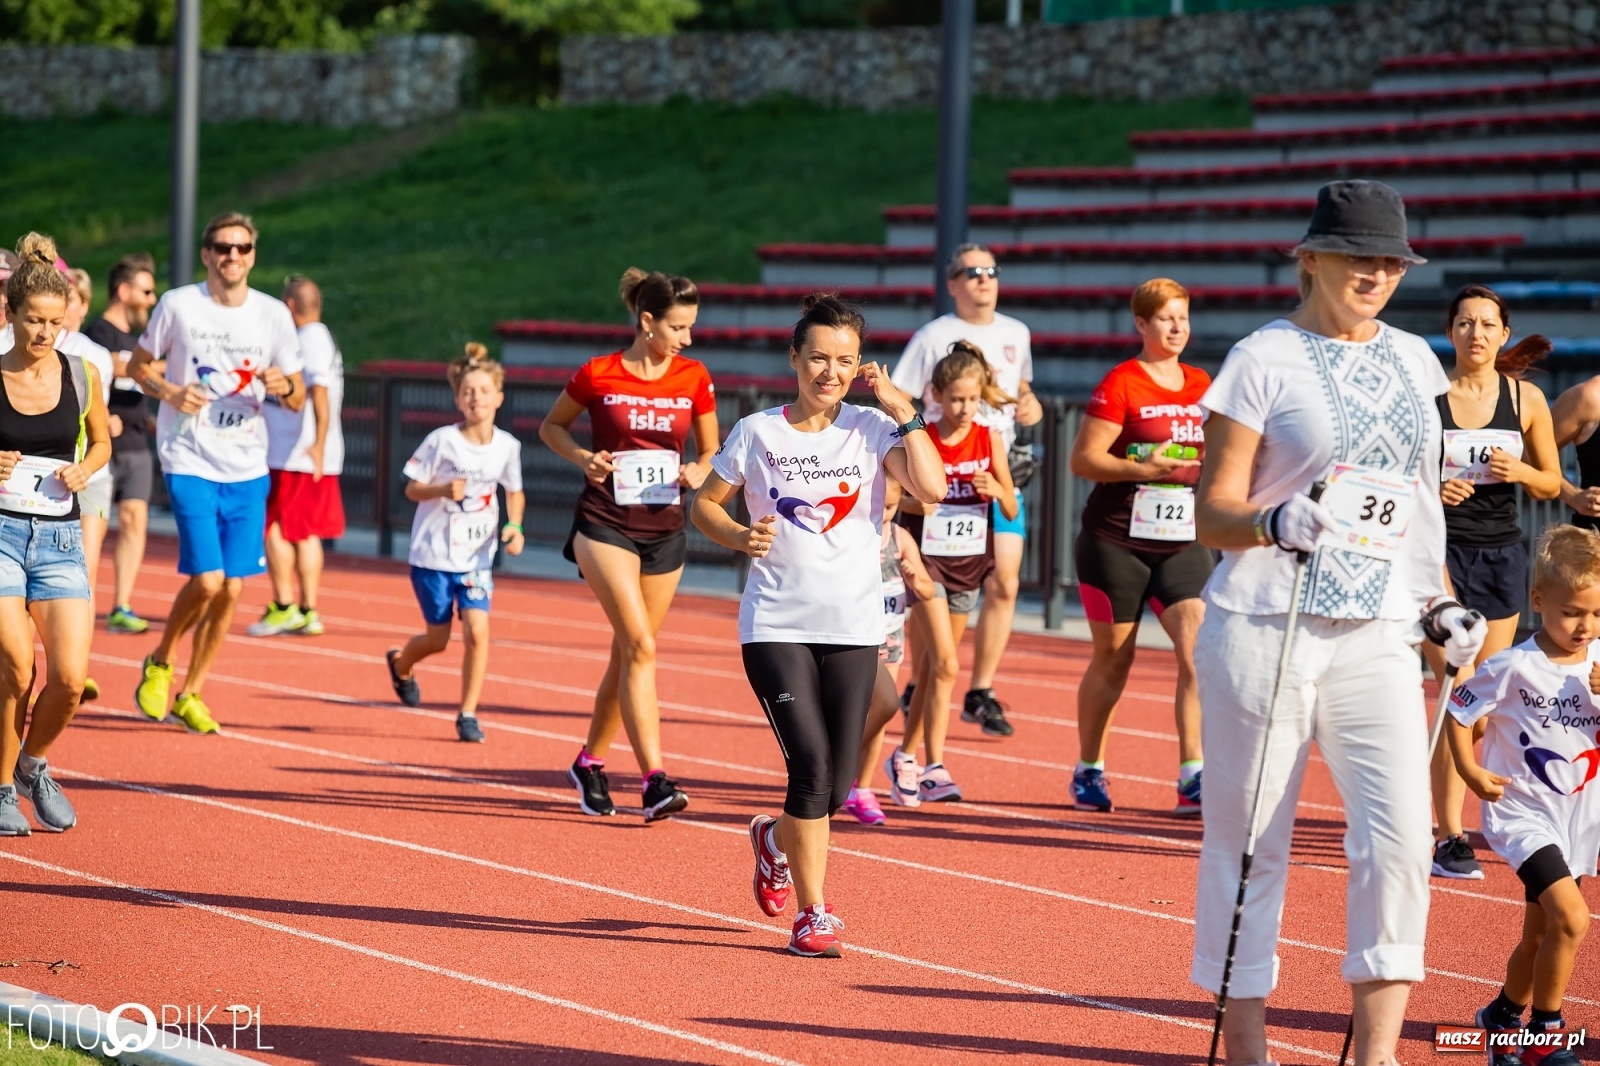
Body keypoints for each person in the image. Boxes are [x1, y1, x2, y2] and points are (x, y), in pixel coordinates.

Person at [1191, 180, 1487, 1064]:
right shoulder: (1261, 357)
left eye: (1391, 261)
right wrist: (1269, 522)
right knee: (1251, 842)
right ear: (1310, 257)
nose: (1377, 274)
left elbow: (1416, 509)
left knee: (1399, 836)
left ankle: (1377, 1052)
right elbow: (1212, 510)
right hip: (1262, 626)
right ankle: (1247, 1043)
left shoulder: (1416, 361)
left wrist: (1438, 601)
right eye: (1359, 256)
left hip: (1379, 634)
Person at [692, 294, 944, 957]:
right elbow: (704, 507)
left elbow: (935, 488)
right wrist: (740, 534)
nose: (829, 372)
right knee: (808, 767)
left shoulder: (871, 427)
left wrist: (905, 410)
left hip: (855, 626)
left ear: (859, 365)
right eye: (818, 359)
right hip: (775, 623)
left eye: (844, 360)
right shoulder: (756, 432)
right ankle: (814, 913)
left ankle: (773, 840)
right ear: (795, 360)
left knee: (832, 788)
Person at [539, 269, 715, 821]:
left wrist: (696, 471)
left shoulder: (693, 377)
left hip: (665, 530)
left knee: (629, 652)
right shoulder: (599, 372)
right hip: (604, 524)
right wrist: (584, 459)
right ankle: (654, 779)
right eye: (678, 327)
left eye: (690, 327)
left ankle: (590, 762)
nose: (686, 338)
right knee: (640, 645)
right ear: (647, 322)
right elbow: (552, 429)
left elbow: (714, 451)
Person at [128, 212, 305, 734]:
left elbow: (295, 396)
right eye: (222, 247)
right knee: (207, 580)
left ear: (253, 255)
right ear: (206, 253)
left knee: (231, 590)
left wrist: (282, 385)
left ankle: (192, 691)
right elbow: (138, 368)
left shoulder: (273, 316)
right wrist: (171, 392)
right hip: (188, 457)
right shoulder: (179, 305)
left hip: (248, 465)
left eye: (242, 247)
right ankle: (160, 660)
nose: (232, 256)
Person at [1446, 525, 1599, 1065]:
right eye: (1572, 612)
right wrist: (1468, 769)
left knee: (1539, 936)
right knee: (1572, 920)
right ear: (1538, 601)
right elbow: (1458, 710)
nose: (1585, 626)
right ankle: (1546, 1037)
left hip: (1576, 817)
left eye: (1596, 614)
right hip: (1522, 814)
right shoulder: (1513, 664)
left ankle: (1503, 1019)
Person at [1426, 284, 1562, 881]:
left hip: (1503, 554)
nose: (1476, 333)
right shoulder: (1429, 398)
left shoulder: (1526, 398)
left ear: (1503, 334)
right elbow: (1399, 475)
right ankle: (1450, 836)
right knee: (1455, 690)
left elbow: (1553, 484)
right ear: (1450, 332)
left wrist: (1522, 468)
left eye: (1487, 324)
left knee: (1480, 702)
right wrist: (1432, 488)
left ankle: (1458, 799)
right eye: (1464, 323)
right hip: (1440, 555)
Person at [1067, 278, 1212, 815]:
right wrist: (1140, 468)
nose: (1177, 328)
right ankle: (1089, 768)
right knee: (1114, 659)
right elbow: (1083, 460)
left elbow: (1220, 450)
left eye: (1184, 318)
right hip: (1116, 541)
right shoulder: (1122, 382)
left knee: (1198, 653)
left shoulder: (1201, 383)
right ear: (1142, 325)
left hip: (1181, 540)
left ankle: (1192, 775)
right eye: (1166, 319)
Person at [891, 243, 1042, 736]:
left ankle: (980, 689)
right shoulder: (933, 336)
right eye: (971, 272)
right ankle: (924, 673)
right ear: (952, 283)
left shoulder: (1016, 332)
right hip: (943, 479)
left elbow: (1021, 391)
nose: (983, 279)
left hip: (994, 475)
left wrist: (1031, 405)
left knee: (1006, 581)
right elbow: (903, 399)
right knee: (929, 583)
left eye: (991, 271)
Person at [0, 233, 112, 835]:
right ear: (12, 314)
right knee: (16, 666)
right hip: (1, 534)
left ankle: (31, 766)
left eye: (53, 322)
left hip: (61, 539)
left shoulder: (84, 373)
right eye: (33, 321)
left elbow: (101, 440)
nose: (44, 333)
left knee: (68, 681)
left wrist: (86, 469)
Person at [887, 342, 1016, 806]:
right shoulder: (923, 438)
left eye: (973, 399)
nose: (964, 409)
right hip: (927, 563)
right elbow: (892, 496)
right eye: (956, 399)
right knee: (946, 663)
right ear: (936, 395)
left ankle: (905, 754)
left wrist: (996, 486)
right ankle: (934, 764)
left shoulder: (988, 438)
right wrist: (911, 501)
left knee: (931, 668)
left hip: (969, 562)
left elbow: (1012, 504)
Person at [385, 345, 525, 743]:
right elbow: (410, 488)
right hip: (433, 555)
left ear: (499, 396)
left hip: (477, 558)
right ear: (457, 398)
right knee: (438, 639)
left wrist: (514, 526)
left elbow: (514, 491)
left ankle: (467, 713)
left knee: (478, 632)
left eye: (483, 390)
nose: (476, 397)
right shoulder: (442, 441)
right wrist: (441, 488)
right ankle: (401, 664)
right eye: (468, 391)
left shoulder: (507, 447)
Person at [250, 275, 346, 638]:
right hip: (299, 452)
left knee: (274, 526)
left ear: (289, 306)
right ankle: (306, 608)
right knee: (303, 532)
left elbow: (319, 392)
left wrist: (318, 443)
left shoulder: (309, 340)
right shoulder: (319, 337)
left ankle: (287, 604)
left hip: (295, 453)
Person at [839, 477, 936, 825]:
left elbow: (926, 590)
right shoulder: (848, 537)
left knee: (881, 714)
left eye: (891, 509)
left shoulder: (899, 538)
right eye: (878, 507)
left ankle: (861, 788)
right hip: (853, 640)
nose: (883, 515)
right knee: (853, 710)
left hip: (890, 641)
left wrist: (914, 578)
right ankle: (837, 769)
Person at [82, 252, 160, 636]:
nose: (152, 298)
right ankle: (83, 605)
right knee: (92, 532)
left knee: (134, 522)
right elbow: (114, 366)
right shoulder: (98, 333)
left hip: (136, 443)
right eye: (146, 290)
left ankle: (122, 605)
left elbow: (135, 372)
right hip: (103, 446)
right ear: (124, 290)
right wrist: (151, 368)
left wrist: (149, 419)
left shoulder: (139, 338)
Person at [58, 266, 115, 703]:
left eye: (74, 299)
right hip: (29, 479)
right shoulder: (11, 344)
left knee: (84, 571)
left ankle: (79, 664)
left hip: (88, 475)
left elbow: (101, 427)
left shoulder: (92, 356)